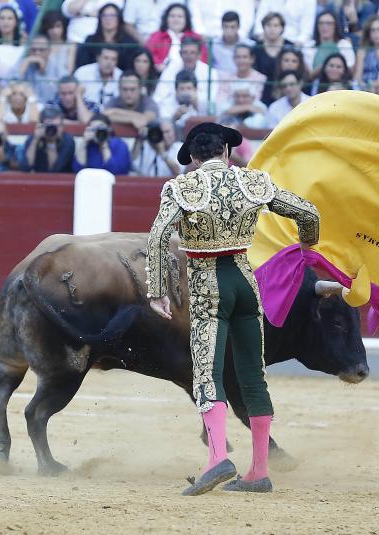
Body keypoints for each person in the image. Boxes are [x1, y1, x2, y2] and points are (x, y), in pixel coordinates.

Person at [146, 121, 320, 496]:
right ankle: (258, 471)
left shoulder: (181, 186)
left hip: (208, 284)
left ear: (193, 158)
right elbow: (309, 213)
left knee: (207, 372)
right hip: (245, 282)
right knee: (252, 374)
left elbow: (159, 236)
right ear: (226, 152)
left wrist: (157, 290)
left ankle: (217, 458)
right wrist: (307, 250)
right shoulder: (253, 182)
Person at [153, 35, 219, 116]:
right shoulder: (170, 69)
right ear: (180, 54)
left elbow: (212, 101)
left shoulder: (210, 72)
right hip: (173, 112)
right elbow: (158, 98)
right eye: (185, 52)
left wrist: (196, 100)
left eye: (192, 52)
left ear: (199, 55)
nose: (189, 56)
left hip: (200, 115)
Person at [75, 2, 137, 71]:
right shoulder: (91, 40)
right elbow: (82, 65)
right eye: (104, 15)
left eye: (112, 16)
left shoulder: (128, 43)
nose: (108, 19)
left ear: (119, 19)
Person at [145, 3, 208, 71]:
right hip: (162, 72)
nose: (176, 19)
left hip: (191, 73)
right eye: (172, 16)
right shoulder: (156, 36)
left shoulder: (196, 37)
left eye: (180, 16)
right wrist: (158, 64)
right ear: (166, 18)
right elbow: (148, 54)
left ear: (186, 19)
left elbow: (203, 59)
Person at [19, 107, 75, 173]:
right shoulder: (35, 137)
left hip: (62, 181)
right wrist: (35, 140)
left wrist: (51, 142)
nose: (54, 129)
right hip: (38, 179)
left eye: (57, 126)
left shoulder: (68, 140)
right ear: (42, 126)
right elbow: (25, 167)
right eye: (49, 126)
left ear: (62, 126)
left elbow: (55, 170)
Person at [302, 10, 355, 79]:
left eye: (329, 23)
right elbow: (309, 75)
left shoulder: (345, 45)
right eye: (321, 23)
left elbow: (350, 69)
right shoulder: (309, 46)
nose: (324, 26)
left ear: (336, 26)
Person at [19, 34, 64, 103]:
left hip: (51, 111)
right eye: (33, 50)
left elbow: (49, 99)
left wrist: (42, 73)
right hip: (26, 108)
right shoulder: (24, 63)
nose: (37, 53)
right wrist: (24, 66)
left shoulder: (58, 71)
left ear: (49, 51)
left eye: (41, 50)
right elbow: (9, 86)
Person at [210, 11, 253, 75]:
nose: (229, 31)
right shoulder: (213, 44)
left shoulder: (250, 45)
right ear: (221, 27)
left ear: (238, 27)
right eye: (226, 27)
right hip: (219, 81)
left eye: (232, 27)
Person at [40, 9, 76, 75]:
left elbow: (69, 71)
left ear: (63, 27)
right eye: (51, 27)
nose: (54, 31)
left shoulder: (70, 45)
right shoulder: (41, 45)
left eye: (58, 26)